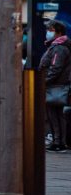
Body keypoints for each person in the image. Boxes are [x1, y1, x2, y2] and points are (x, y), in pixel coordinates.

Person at [39, 20, 71, 152]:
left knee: (55, 115)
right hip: (57, 85)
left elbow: (55, 68)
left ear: (58, 32)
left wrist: (44, 81)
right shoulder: (59, 46)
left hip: (56, 86)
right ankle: (58, 141)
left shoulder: (59, 48)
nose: (48, 32)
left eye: (51, 30)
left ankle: (58, 143)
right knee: (56, 115)